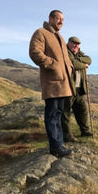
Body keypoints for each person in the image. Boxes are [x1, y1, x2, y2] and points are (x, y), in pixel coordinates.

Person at [29, 10, 74, 157]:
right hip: (53, 83)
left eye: (62, 20)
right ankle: (55, 147)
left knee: (58, 115)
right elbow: (35, 53)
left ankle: (59, 144)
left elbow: (64, 58)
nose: (61, 22)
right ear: (50, 19)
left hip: (63, 83)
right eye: (58, 18)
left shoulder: (59, 36)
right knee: (53, 115)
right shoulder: (41, 33)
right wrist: (53, 65)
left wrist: (69, 66)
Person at [62, 36, 94, 142]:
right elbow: (72, 64)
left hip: (79, 88)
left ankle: (85, 130)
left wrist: (78, 60)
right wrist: (82, 65)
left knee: (82, 111)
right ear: (69, 43)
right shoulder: (64, 51)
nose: (76, 46)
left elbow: (89, 59)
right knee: (65, 113)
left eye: (78, 44)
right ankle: (66, 135)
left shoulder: (79, 53)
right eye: (74, 43)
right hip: (68, 88)